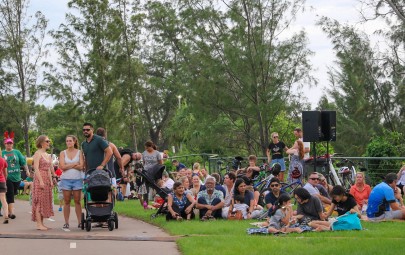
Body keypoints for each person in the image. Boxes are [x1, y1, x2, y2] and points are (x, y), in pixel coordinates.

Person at [59, 135, 84, 230]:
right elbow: (62, 167)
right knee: (67, 201)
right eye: (67, 141)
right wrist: (74, 164)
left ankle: (80, 222)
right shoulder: (63, 153)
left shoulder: (79, 152)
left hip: (77, 179)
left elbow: (81, 166)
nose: (68, 142)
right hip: (66, 179)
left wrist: (68, 165)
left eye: (70, 141)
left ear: (74, 142)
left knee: (77, 201)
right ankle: (66, 222)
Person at [2, 132, 30, 219]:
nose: (9, 145)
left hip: (17, 177)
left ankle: (8, 208)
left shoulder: (17, 152)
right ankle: (11, 213)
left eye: (10, 143)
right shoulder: (2, 153)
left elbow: (23, 162)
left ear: (12, 144)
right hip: (7, 177)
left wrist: (27, 171)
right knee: (10, 193)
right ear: (5, 144)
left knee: (13, 194)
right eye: (7, 143)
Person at [31, 135, 54, 230]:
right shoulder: (38, 153)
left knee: (44, 201)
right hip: (39, 178)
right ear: (41, 143)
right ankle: (38, 224)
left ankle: (42, 224)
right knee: (39, 201)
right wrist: (40, 181)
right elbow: (36, 168)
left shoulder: (48, 155)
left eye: (49, 141)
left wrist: (51, 181)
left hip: (47, 179)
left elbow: (48, 169)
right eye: (47, 141)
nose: (49, 143)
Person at [142, 140, 163, 205]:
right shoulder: (144, 153)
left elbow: (160, 163)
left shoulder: (157, 153)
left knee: (158, 187)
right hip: (146, 173)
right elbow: (144, 162)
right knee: (145, 190)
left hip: (155, 172)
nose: (146, 149)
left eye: (147, 148)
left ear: (151, 146)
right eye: (145, 148)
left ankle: (161, 202)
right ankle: (145, 205)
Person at [0, 147, 9, 223]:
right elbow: (5, 173)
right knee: (3, 199)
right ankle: (6, 214)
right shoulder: (3, 160)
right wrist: (5, 179)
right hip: (2, 181)